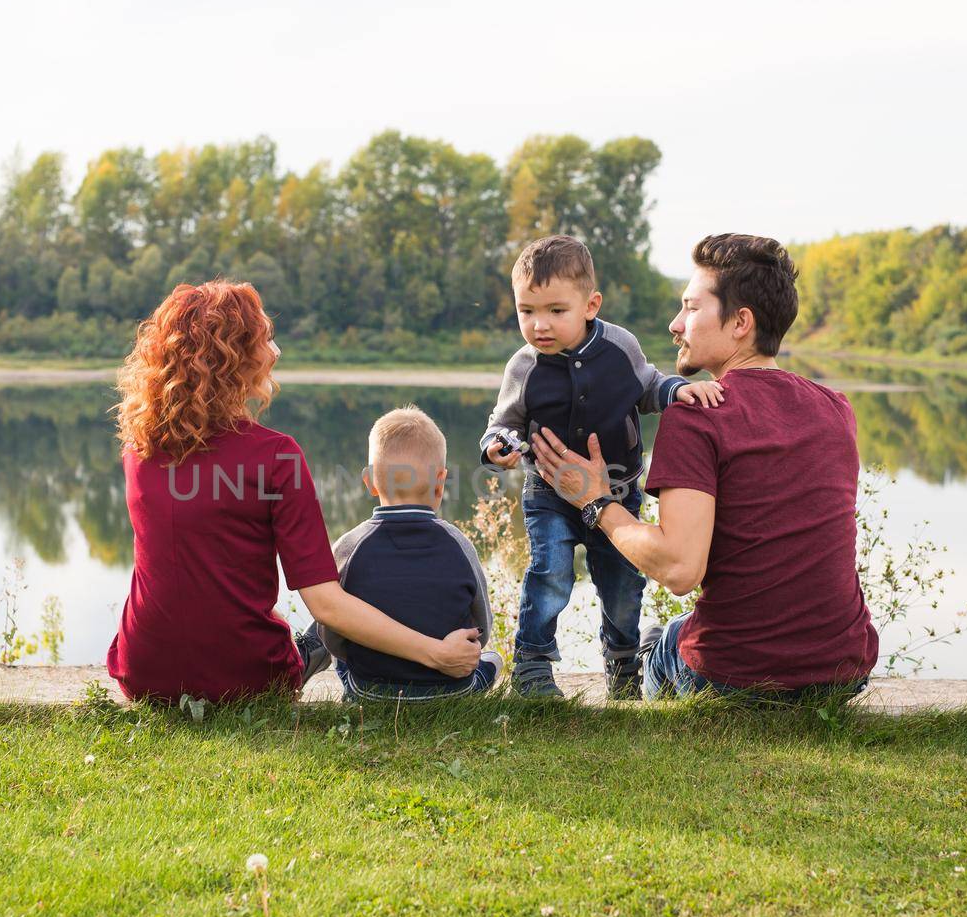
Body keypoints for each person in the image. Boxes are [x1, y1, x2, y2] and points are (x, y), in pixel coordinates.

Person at [530, 234, 878, 702]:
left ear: (740, 323)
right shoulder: (837, 409)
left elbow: (678, 569)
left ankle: (659, 650)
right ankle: (663, 642)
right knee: (671, 630)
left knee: (664, 644)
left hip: (733, 677)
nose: (676, 324)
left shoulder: (698, 417)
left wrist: (594, 501)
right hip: (842, 671)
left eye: (691, 309)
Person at [106, 280, 481, 703]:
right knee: (317, 621)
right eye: (265, 340)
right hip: (246, 682)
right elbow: (326, 605)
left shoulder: (139, 449)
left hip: (144, 672)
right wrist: (437, 654)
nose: (276, 353)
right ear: (233, 359)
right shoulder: (276, 456)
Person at [479, 235, 723, 699]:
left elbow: (649, 385)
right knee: (549, 571)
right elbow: (504, 423)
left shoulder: (619, 348)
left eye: (555, 310)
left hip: (618, 491)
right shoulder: (523, 367)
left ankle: (623, 663)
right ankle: (532, 664)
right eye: (526, 311)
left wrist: (676, 391)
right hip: (550, 492)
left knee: (623, 584)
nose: (539, 325)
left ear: (590, 305)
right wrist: (498, 447)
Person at [297, 406, 503, 701]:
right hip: (449, 688)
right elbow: (481, 628)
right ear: (441, 481)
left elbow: (333, 632)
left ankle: (309, 655)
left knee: (344, 654)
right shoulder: (459, 543)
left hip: (370, 690)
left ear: (369, 482)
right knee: (493, 660)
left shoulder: (349, 545)